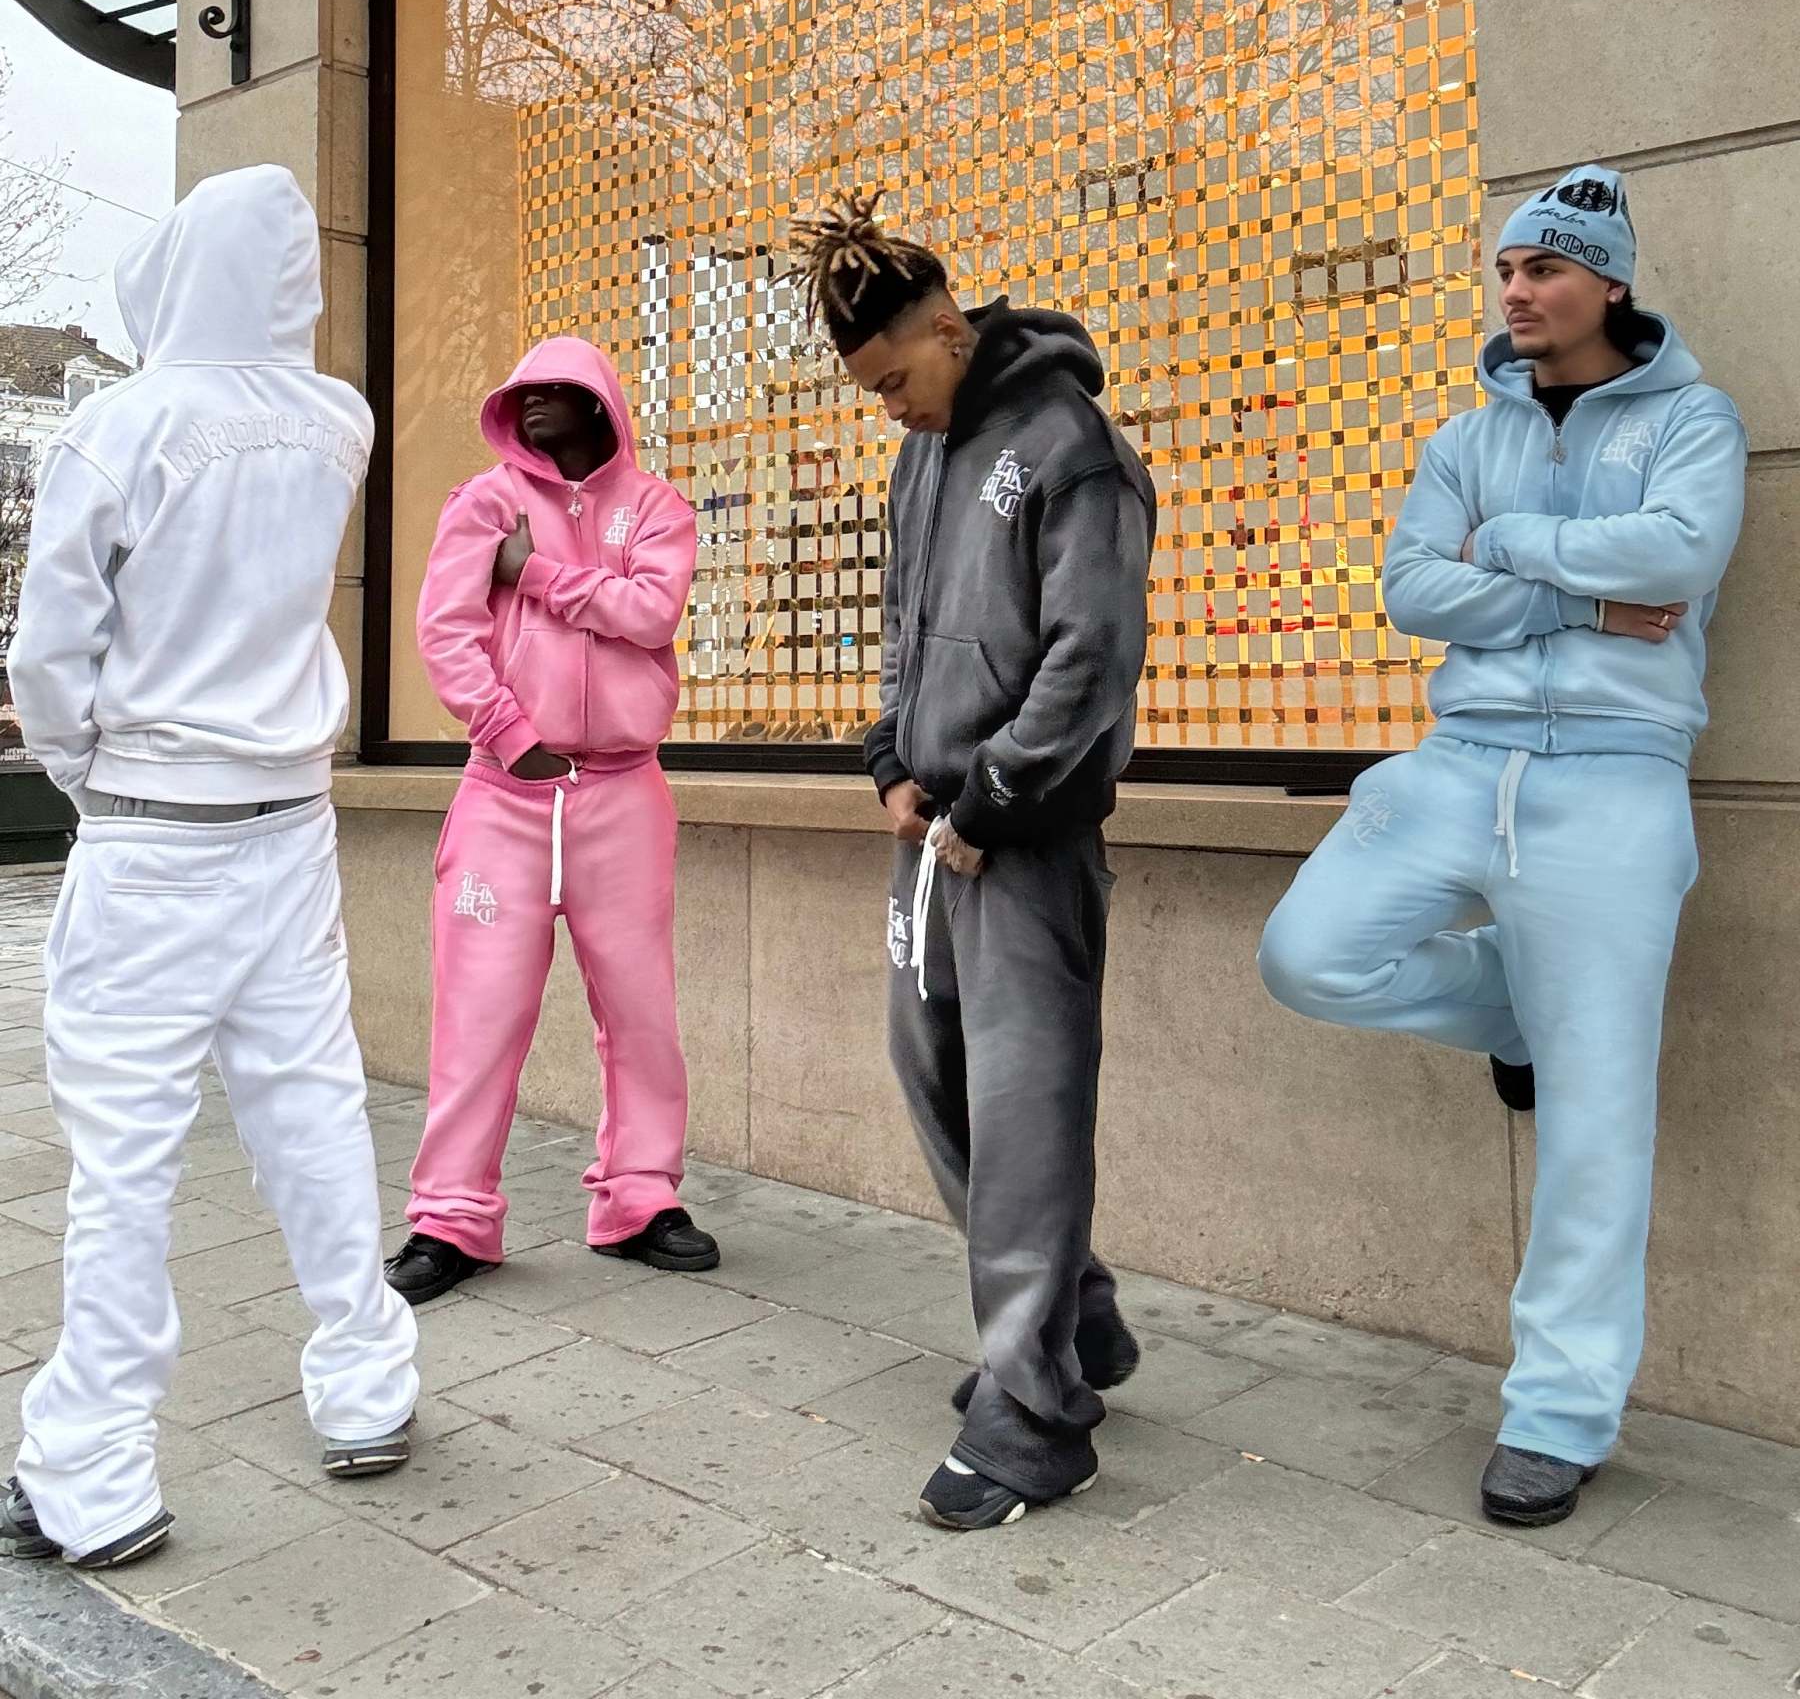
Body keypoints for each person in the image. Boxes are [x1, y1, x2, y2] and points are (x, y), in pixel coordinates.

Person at [1258, 164, 1746, 1529]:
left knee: (1597, 1112)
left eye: (1544, 268)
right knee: (1308, 955)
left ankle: (1559, 1413)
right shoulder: (1464, 437)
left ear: (1609, 281)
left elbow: (1679, 555)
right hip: (1459, 761)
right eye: (1508, 270)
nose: (1517, 291)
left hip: (1615, 778)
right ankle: (1522, 1010)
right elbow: (1413, 587)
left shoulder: (1693, 420)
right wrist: (1579, 600)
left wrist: (1516, 545)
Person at [2, 165, 419, 1572]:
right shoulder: (339, 421)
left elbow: (47, 659)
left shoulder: (121, 428)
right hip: (289, 823)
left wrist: (86, 773)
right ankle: (366, 1380)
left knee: (125, 1158)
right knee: (312, 1108)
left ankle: (95, 1469)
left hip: (153, 829)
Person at [790, 193, 1155, 1532]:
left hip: (1028, 835)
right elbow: (904, 622)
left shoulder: (1073, 448)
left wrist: (995, 794)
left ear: (948, 327)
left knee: (1025, 1115)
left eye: (895, 379)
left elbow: (1091, 656)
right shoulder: (925, 455)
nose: (888, 407)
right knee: (932, 1075)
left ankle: (1036, 1418)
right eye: (872, 392)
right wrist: (890, 754)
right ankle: (1072, 1320)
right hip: (936, 833)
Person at [385, 336, 716, 1305]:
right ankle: (451, 1218)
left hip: (624, 791)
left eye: (555, 390)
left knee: (641, 1010)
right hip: (505, 794)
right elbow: (446, 630)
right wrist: (509, 732)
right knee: (479, 1013)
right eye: (521, 392)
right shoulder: (484, 502)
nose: (531, 403)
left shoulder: (657, 508)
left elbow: (652, 615)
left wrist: (534, 574)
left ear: (600, 403)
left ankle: (641, 1199)